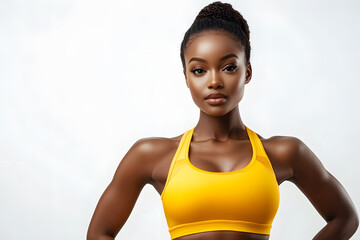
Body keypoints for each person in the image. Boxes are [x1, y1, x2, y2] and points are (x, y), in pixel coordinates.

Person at [87, 1, 359, 240]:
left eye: (229, 67)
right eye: (199, 70)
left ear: (248, 72)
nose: (214, 81)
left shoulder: (284, 153)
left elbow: (345, 218)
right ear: (186, 78)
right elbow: (100, 233)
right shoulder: (151, 155)